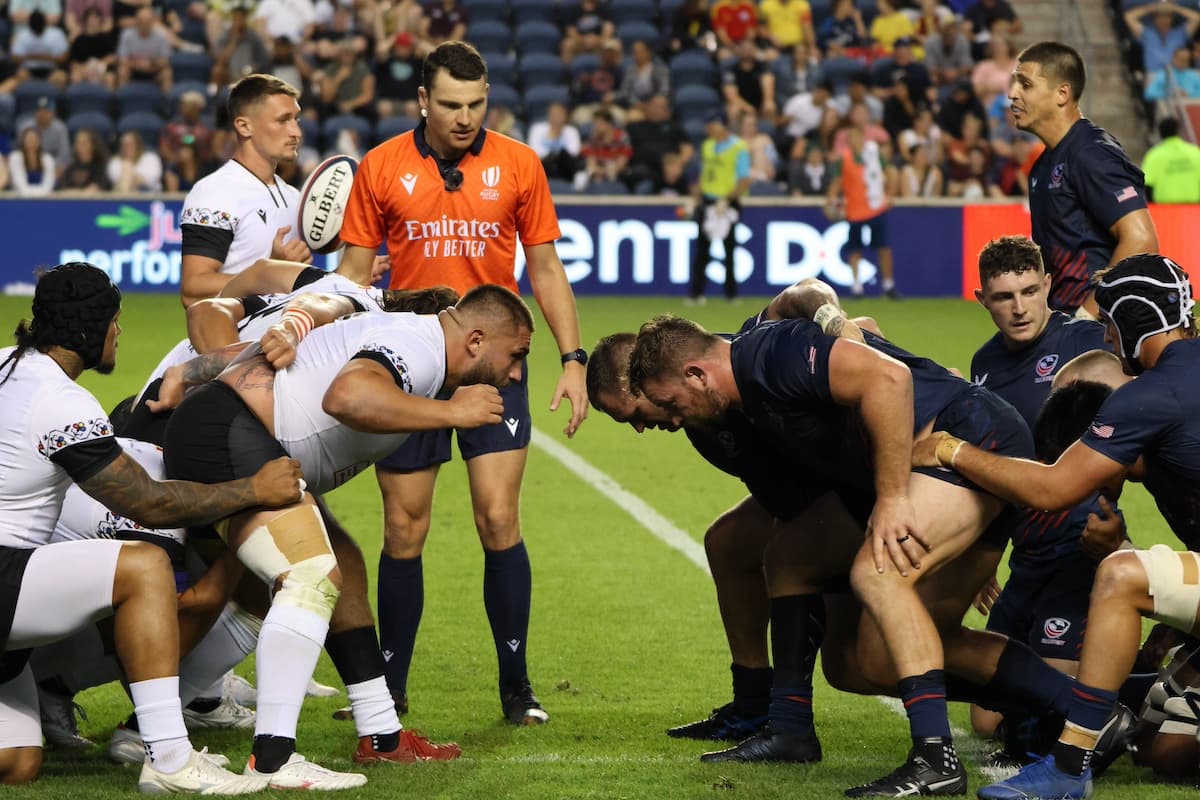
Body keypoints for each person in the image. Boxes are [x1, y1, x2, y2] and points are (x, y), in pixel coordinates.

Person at [625, 313, 1046, 796]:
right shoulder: (746, 396)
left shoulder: (769, 357)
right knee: (848, 648)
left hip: (964, 436)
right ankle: (790, 729)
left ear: (696, 375)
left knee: (877, 576)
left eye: (667, 405)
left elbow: (889, 375)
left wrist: (891, 499)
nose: (671, 419)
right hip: (912, 470)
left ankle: (938, 757)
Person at [157, 284, 533, 789]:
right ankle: (272, 759)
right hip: (229, 434)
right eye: (516, 356)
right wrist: (454, 414)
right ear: (476, 339)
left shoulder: (419, 345)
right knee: (311, 575)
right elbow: (347, 396)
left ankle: (381, 735)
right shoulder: (420, 347)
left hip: (243, 436)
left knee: (345, 568)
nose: (515, 373)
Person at [335, 41, 589, 726]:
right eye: (450, 104)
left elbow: (546, 268)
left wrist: (573, 357)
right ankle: (389, 689)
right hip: (412, 363)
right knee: (403, 528)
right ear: (422, 100)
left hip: (496, 362)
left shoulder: (519, 164)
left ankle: (516, 688)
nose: (464, 117)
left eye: (476, 105)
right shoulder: (382, 166)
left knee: (499, 518)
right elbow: (354, 274)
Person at [0, 261, 302, 792]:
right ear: (90, 330)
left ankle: (55, 692)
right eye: (115, 320)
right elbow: (149, 502)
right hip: (4, 578)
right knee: (143, 565)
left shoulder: (6, 364)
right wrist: (255, 490)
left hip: (13, 592)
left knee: (19, 764)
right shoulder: (61, 401)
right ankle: (168, 758)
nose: (120, 332)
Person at [912, 253, 1200, 800]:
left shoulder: (1152, 392)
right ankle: (1149, 696)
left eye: (1113, 328)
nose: (1111, 343)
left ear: (1133, 322)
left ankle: (1067, 769)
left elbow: (1052, 488)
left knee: (1121, 575)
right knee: (1168, 751)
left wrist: (951, 449)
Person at [966, 235, 1124, 751]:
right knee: (986, 720)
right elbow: (988, 468)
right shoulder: (983, 364)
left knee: (1043, 724)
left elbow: (1130, 427)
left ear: (1050, 286)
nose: (1019, 308)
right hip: (1025, 553)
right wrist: (980, 557)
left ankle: (1122, 701)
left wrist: (1109, 512)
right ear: (981, 299)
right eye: (1003, 297)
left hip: (1079, 548)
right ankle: (1132, 689)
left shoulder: (1085, 343)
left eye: (1030, 292)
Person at [1010, 41, 1158, 316]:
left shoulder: (1090, 153)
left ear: (1062, 93)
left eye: (1025, 85)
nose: (1012, 94)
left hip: (1100, 332)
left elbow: (1141, 241)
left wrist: (1087, 317)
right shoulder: (1043, 165)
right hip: (1065, 324)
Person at [179, 73, 311, 308]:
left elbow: (293, 286)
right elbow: (193, 290)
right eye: (283, 120)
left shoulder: (294, 196)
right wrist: (271, 274)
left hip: (284, 340)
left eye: (296, 120)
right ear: (244, 126)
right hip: (237, 342)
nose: (296, 132)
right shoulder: (215, 193)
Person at [826, 124, 897, 298]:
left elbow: (891, 173)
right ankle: (857, 287)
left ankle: (888, 285)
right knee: (855, 249)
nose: (854, 141)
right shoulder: (844, 159)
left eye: (857, 137)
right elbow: (837, 182)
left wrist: (890, 195)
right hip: (855, 210)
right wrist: (830, 200)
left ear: (863, 138)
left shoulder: (874, 156)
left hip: (876, 207)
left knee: (883, 248)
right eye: (851, 138)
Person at [688, 109, 749, 304]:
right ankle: (696, 294)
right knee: (702, 249)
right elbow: (703, 174)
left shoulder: (739, 148)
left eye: (710, 125)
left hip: (727, 203)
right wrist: (696, 197)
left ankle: (731, 294)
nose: (707, 129)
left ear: (720, 125)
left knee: (729, 249)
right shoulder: (707, 146)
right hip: (708, 200)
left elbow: (744, 179)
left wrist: (728, 199)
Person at [1124, 0, 1200, 76]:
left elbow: (1196, 18)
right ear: (1155, 20)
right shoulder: (1147, 34)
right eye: (1160, 17)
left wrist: (1175, 8)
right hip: (1153, 75)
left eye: (1167, 17)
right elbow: (1129, 17)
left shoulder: (1180, 33)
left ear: (1171, 19)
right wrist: (1151, 8)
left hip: (1177, 75)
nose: (1163, 20)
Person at [1142, 117, 1200, 204]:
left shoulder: (1154, 155)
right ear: (1178, 131)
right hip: (1194, 208)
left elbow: (1148, 186)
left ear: (1160, 133)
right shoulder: (1195, 152)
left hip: (1165, 209)